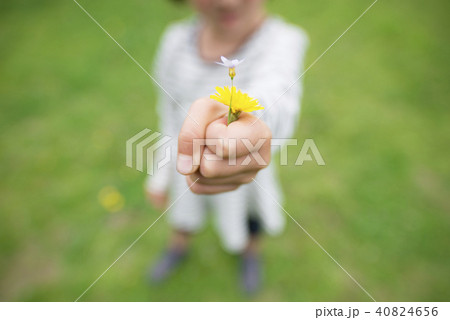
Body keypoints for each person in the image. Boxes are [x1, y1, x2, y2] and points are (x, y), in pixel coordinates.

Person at [145, 0, 308, 294]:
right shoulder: (174, 42)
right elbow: (168, 117)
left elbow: (276, 97)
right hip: (186, 167)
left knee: (249, 218)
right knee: (183, 210)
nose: (228, 1)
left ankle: (250, 255)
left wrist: (252, 123)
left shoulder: (283, 42)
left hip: (246, 173)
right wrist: (158, 175)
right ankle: (178, 246)